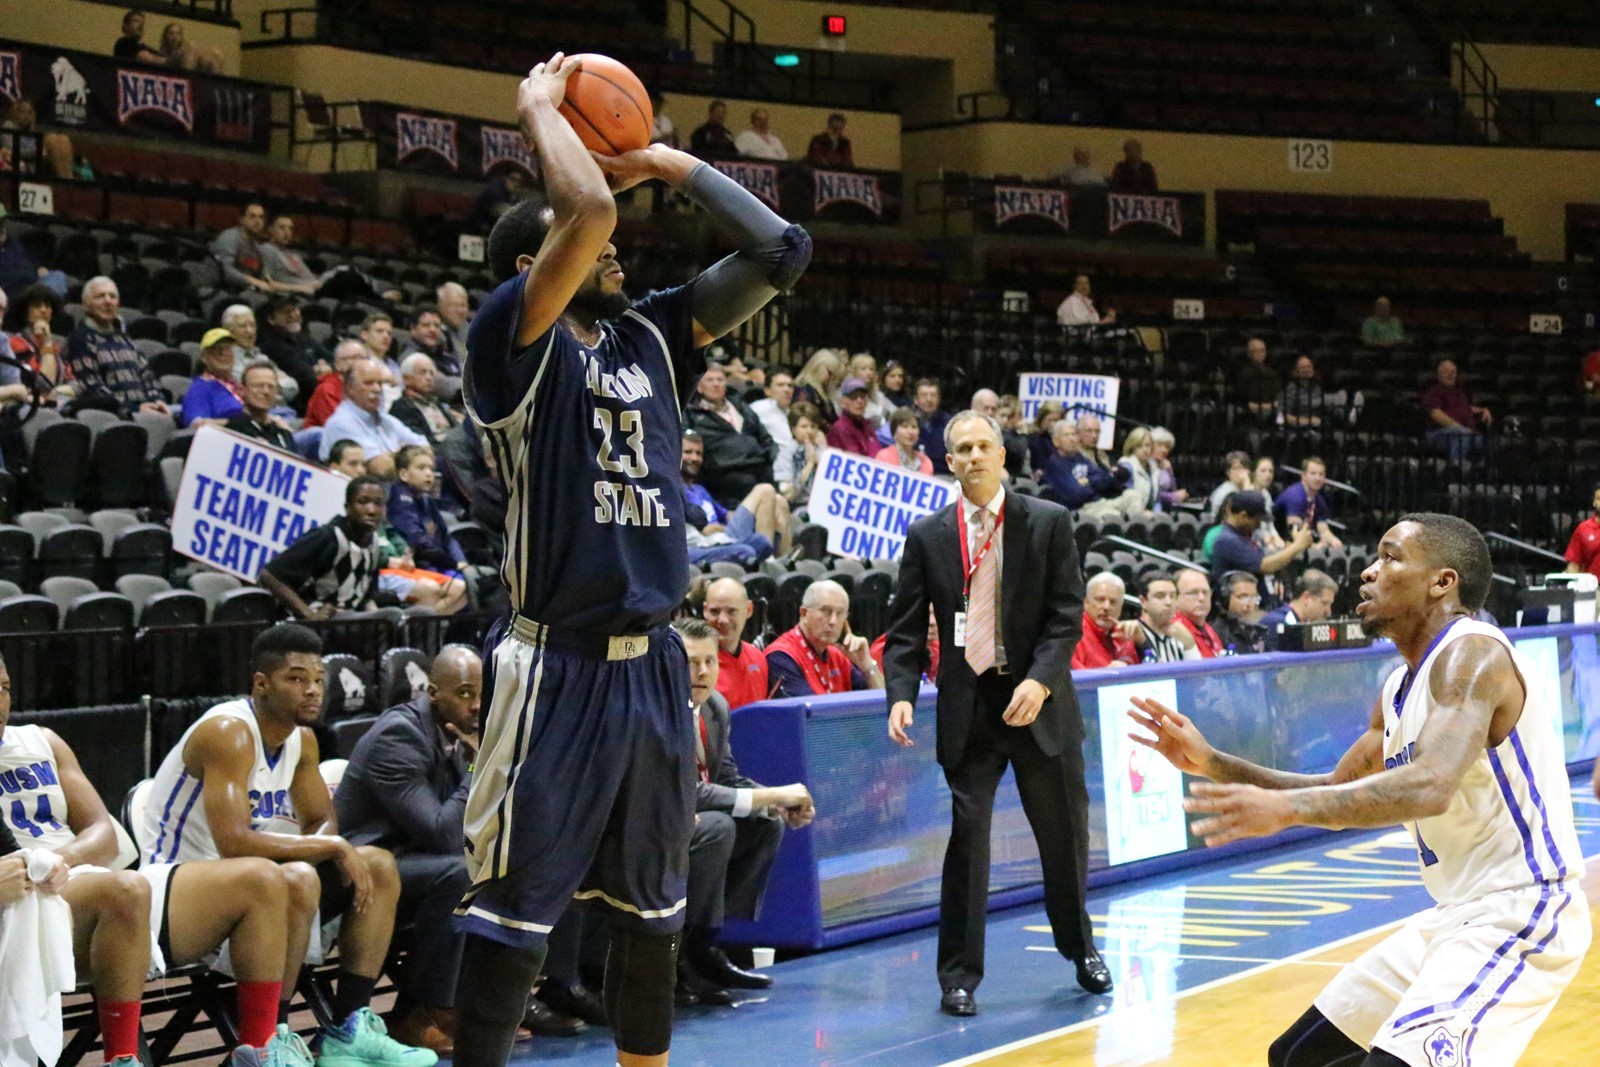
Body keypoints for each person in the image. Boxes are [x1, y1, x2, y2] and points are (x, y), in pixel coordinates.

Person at [453, 53, 810, 1067]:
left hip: (651, 663)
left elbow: (783, 249)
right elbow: (586, 218)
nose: (618, 254)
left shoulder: (649, 334)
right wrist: (536, 113)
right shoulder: (508, 337)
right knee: (514, 916)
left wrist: (667, 161)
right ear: (541, 263)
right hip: (554, 662)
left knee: (654, 915)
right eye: (595, 249)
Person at [1131, 513, 1590, 1067]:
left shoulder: (1473, 656)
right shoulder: (1398, 686)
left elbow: (1431, 785)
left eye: (1391, 557)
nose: (1368, 572)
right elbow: (1337, 793)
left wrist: (1283, 809)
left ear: (1442, 581)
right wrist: (1213, 762)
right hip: (1454, 913)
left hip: (1524, 911)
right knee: (1296, 1057)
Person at [883, 410, 1109, 1017]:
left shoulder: (1049, 521)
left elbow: (1066, 617)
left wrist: (1040, 682)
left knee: (1063, 841)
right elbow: (904, 631)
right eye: (963, 448)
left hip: (1038, 705)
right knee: (967, 844)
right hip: (969, 710)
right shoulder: (928, 535)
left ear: (1002, 456)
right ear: (949, 461)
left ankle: (1080, 946)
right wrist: (900, 692)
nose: (975, 455)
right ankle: (957, 977)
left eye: (985, 445)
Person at [2, 648, 320, 1067]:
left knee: (262, 879)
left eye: (5, 688)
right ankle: (123, 1058)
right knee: (125, 887)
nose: (1, 701)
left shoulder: (42, 740)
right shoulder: (230, 731)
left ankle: (261, 1051)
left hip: (81, 880)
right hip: (28, 900)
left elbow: (104, 835)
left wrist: (59, 859)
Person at [142, 625, 437, 1067]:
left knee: (378, 864)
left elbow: (321, 820)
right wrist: (334, 849)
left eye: (317, 679)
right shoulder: (229, 732)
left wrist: (333, 845)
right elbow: (234, 841)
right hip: (181, 887)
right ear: (261, 684)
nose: (312, 690)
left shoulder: (302, 740)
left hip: (259, 886)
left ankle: (349, 1027)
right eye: (296, 678)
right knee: (297, 877)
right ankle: (270, 1040)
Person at [336, 647, 522, 1054]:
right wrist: (478, 766)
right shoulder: (399, 735)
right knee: (460, 873)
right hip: (365, 869)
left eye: (483, 695)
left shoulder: (459, 732)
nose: (477, 705)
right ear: (434, 693)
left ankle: (485, 1000)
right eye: (465, 693)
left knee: (514, 862)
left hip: (415, 860)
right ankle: (419, 1013)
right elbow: (442, 832)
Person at [674, 620, 813, 1006]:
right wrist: (772, 794)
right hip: (656, 827)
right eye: (690, 662)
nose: (701, 672)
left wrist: (777, 803)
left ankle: (708, 942)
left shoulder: (715, 706)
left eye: (709, 661)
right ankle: (678, 955)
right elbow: (689, 792)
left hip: (697, 821)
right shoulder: (661, 711)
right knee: (719, 828)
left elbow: (729, 777)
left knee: (765, 824)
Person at [258, 476, 387, 619]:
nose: (372, 510)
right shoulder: (327, 536)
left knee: (400, 617)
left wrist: (378, 619)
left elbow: (367, 597)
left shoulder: (375, 544)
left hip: (350, 620)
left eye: (378, 503)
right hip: (313, 620)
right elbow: (269, 575)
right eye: (362, 502)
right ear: (347, 508)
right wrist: (308, 614)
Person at [62, 276, 171, 418]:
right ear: (86, 305)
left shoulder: (125, 339)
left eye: (112, 297)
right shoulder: (80, 339)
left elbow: (147, 376)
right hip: (113, 416)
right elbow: (91, 387)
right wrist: (135, 408)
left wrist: (157, 400)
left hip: (142, 412)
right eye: (100, 296)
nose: (108, 301)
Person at [681, 430, 790, 559]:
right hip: (710, 543)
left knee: (779, 502)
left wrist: (761, 516)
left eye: (698, 454)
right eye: (688, 452)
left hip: (725, 533)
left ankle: (785, 562)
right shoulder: (675, 489)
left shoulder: (700, 490)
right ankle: (768, 561)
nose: (694, 458)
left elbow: (727, 515)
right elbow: (702, 530)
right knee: (765, 490)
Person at [765, 580, 883, 697]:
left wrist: (867, 665)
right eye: (826, 611)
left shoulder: (838, 656)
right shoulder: (781, 656)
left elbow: (883, 704)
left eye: (840, 613)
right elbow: (810, 713)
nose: (833, 621)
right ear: (804, 613)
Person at [317, 358, 428, 478]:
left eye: (379, 383)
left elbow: (427, 450)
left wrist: (395, 456)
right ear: (350, 388)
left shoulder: (388, 420)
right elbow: (382, 469)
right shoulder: (341, 423)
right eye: (368, 383)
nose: (377, 389)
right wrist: (409, 454)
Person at [685, 362, 777, 504]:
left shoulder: (741, 406)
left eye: (720, 380)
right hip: (724, 471)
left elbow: (766, 439)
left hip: (759, 465)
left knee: (775, 483)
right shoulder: (692, 413)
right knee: (749, 484)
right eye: (710, 380)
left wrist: (772, 458)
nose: (716, 384)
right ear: (699, 387)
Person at [387, 445, 471, 577]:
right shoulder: (400, 501)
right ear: (403, 474)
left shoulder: (425, 498)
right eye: (421, 468)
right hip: (418, 567)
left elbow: (446, 537)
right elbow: (417, 542)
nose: (429, 473)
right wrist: (454, 564)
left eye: (431, 469)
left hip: (439, 564)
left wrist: (462, 563)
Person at [1212, 492, 1314, 586]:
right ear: (1244, 516)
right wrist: (1297, 545)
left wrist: (1293, 544)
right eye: (1257, 520)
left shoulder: (1248, 535)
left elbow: (1272, 560)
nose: (1259, 525)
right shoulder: (1228, 540)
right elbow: (1266, 566)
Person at [701, 577, 771, 710]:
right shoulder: (694, 664)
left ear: (749, 610)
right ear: (705, 610)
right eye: (715, 611)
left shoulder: (757, 657)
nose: (722, 620)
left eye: (731, 611)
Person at [4, 283, 72, 402]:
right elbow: (42, 386)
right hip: (30, 405)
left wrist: (55, 393)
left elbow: (75, 385)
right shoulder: (14, 342)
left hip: (60, 402)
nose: (44, 310)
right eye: (37, 306)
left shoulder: (61, 343)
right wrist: (46, 343)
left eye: (47, 306)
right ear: (25, 313)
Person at [257, 296, 325, 409]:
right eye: (286, 312)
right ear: (271, 319)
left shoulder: (304, 337)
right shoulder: (271, 344)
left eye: (295, 310)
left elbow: (335, 360)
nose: (293, 315)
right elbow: (307, 377)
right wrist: (321, 368)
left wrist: (325, 368)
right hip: (300, 406)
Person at [1421, 358, 1492, 460]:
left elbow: (1466, 408)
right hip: (1439, 433)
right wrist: (1460, 429)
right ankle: (1456, 470)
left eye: (1453, 372)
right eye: (1447, 372)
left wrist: (1483, 410)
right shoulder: (1433, 393)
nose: (1451, 375)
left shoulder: (1459, 393)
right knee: (1462, 437)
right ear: (1438, 374)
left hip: (1466, 433)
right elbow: (1436, 415)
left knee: (1490, 441)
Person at [1071, 571, 1140, 669]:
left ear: (1121, 608)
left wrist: (1141, 643)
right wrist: (1108, 675)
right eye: (1100, 599)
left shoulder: (1125, 634)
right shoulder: (1073, 633)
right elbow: (1074, 679)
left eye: (1113, 602)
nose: (1106, 607)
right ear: (1086, 602)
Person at [1259, 568, 1339, 650]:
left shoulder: (1302, 624)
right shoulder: (1278, 623)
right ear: (1306, 597)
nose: (1328, 612)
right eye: (1324, 603)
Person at [390, 353, 460, 446]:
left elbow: (457, 430)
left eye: (431, 373)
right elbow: (419, 442)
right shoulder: (401, 407)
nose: (429, 378)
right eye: (422, 372)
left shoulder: (436, 403)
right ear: (406, 379)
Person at [226, 360, 297, 452]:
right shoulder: (233, 428)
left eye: (271, 386)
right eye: (258, 386)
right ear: (242, 390)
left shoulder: (284, 435)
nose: (265, 391)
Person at [181, 327, 246, 427]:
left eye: (228, 348)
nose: (223, 353)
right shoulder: (200, 389)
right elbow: (197, 425)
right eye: (217, 349)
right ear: (204, 357)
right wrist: (241, 424)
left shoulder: (239, 385)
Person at [1276, 456, 1344, 549]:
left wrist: (1334, 541)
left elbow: (1323, 530)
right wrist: (1314, 547)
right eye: (1313, 473)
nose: (1318, 478)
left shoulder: (1318, 500)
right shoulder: (1295, 495)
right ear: (1303, 476)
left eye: (1321, 474)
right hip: (1276, 543)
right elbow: (1295, 533)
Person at [211, 203, 273, 293]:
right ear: (242, 219)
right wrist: (254, 281)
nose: (258, 221)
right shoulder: (230, 237)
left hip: (242, 291)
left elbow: (263, 275)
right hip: (217, 290)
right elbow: (224, 270)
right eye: (252, 216)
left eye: (261, 217)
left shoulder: (257, 248)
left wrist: (265, 279)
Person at [1137, 571, 1197, 662]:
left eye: (1172, 596)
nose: (1169, 602)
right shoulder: (1135, 635)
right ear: (1143, 601)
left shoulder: (1180, 636)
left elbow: (1198, 675)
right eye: (1160, 596)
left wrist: (1190, 645)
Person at [305, 339, 364, 428]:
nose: (360, 363)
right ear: (338, 364)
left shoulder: (367, 387)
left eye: (363, 358)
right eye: (353, 358)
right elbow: (338, 426)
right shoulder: (327, 390)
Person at [749, 369, 795, 479]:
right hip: (772, 468)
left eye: (790, 386)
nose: (787, 389)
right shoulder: (758, 408)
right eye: (780, 385)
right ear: (767, 391)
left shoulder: (792, 413)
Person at [1173, 568, 1225, 658]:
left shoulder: (1209, 629)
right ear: (1175, 598)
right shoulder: (1174, 630)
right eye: (1193, 593)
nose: (1201, 598)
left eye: (1205, 592)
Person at [1212, 571, 1267, 655]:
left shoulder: (1259, 632)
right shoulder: (1217, 633)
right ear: (1226, 599)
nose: (1249, 604)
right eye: (1242, 597)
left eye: (1253, 597)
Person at [781, 402, 823, 510]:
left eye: (813, 426)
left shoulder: (823, 452)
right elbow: (788, 494)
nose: (809, 431)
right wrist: (809, 465)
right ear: (793, 429)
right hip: (799, 508)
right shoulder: (785, 455)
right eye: (804, 427)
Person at [825, 376, 879, 457]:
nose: (859, 401)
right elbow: (856, 459)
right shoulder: (840, 428)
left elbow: (878, 453)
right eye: (853, 396)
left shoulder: (867, 424)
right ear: (843, 401)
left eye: (862, 396)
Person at [791, 347, 843, 427]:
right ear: (817, 365)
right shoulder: (804, 389)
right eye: (829, 372)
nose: (830, 378)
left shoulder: (823, 391)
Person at [912, 378, 953, 475]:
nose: (929, 399)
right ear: (916, 400)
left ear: (939, 399)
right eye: (924, 395)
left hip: (943, 475)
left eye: (933, 395)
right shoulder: (906, 422)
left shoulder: (949, 423)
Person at [1236, 337, 1280, 422]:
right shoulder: (1243, 373)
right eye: (1257, 351)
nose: (1261, 354)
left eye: (1263, 350)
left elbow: (1278, 394)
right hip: (1251, 410)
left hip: (1271, 408)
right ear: (1249, 353)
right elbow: (1242, 397)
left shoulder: (1272, 373)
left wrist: (1271, 405)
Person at [877, 407, 932, 473]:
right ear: (894, 432)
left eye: (914, 427)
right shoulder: (884, 457)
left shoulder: (926, 462)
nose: (910, 432)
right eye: (905, 426)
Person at [1563, 481, 1600, 579]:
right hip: (1593, 590)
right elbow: (1574, 565)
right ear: (1594, 502)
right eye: (1599, 499)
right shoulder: (1583, 529)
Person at [1281, 354, 1329, 428]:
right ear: (1296, 372)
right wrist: (1308, 421)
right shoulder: (1292, 388)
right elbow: (1285, 416)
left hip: (1320, 424)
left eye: (1309, 367)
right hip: (1301, 426)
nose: (1307, 370)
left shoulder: (1317, 385)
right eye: (1303, 368)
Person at [1207, 450, 1253, 520]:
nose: (1243, 472)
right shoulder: (1226, 492)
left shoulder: (1245, 488)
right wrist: (1246, 483)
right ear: (1228, 472)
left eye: (1245, 468)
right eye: (1238, 468)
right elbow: (1246, 516)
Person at [1151, 426, 1187, 509]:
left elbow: (1173, 489)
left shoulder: (1165, 465)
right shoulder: (1147, 464)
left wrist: (1170, 471)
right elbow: (1150, 492)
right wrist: (1173, 497)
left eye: (1167, 447)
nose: (1164, 450)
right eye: (1159, 445)